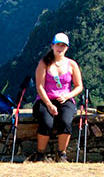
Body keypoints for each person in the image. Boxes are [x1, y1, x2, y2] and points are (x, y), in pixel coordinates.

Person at [29, 32, 84, 163]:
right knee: (46, 122)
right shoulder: (44, 63)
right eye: (58, 45)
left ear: (67, 48)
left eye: (63, 46)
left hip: (65, 99)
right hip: (45, 100)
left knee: (65, 121)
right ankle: (40, 154)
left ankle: (61, 153)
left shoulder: (72, 64)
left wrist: (67, 95)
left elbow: (79, 86)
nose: (60, 48)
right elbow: (40, 86)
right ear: (52, 46)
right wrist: (48, 104)